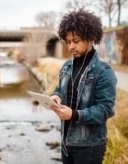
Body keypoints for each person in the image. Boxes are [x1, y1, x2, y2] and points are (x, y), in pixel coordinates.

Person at [50, 9, 117, 164]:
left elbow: (106, 109)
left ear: (90, 38)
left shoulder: (103, 70)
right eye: (68, 42)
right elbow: (61, 89)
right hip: (66, 140)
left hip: (90, 146)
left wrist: (74, 115)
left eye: (76, 41)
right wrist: (56, 95)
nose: (71, 46)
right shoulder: (67, 66)